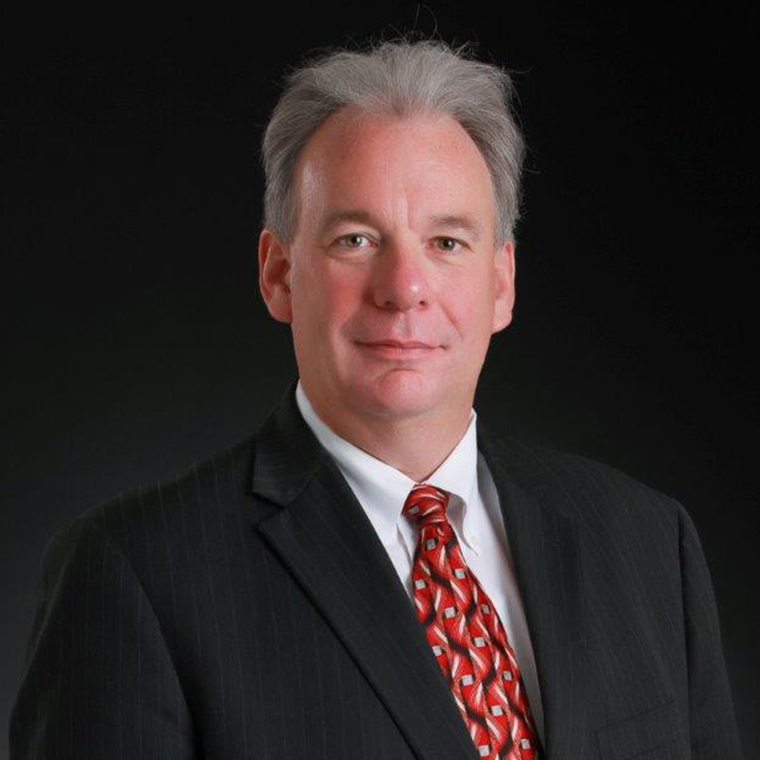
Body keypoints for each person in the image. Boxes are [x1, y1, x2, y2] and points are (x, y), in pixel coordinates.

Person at [10, 38, 742, 760]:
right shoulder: (135, 575)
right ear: (278, 273)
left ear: (501, 283)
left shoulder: (649, 544)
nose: (404, 288)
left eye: (447, 242)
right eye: (356, 239)